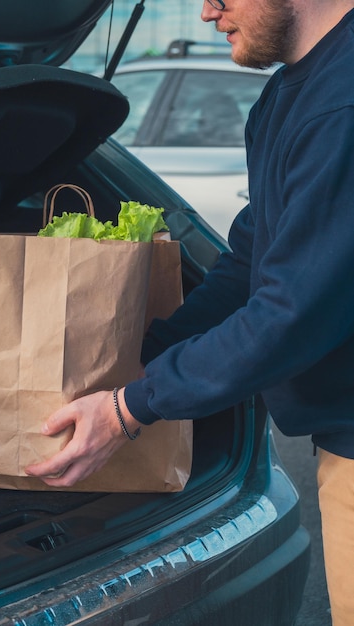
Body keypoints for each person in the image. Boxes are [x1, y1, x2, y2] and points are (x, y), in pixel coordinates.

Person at [26, 0, 354, 623]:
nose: (207, 11)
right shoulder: (288, 95)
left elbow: (292, 313)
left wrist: (131, 408)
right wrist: (141, 356)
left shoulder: (343, 103)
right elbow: (252, 261)